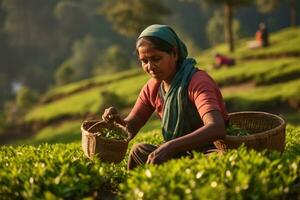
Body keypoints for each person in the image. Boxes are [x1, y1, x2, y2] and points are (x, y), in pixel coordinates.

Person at [101, 24, 228, 170]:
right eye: (144, 61)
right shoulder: (152, 87)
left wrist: (170, 146)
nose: (150, 66)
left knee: (217, 161)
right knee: (139, 151)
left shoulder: (197, 81)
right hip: (177, 153)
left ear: (174, 53)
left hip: (207, 150)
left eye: (156, 58)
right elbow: (131, 127)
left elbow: (216, 127)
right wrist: (116, 121)